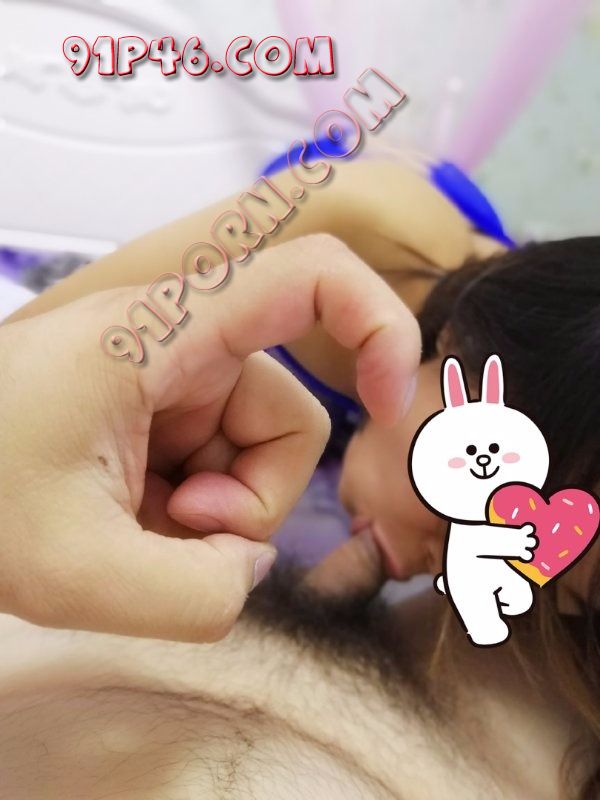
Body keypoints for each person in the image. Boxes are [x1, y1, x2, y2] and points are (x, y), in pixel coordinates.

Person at [2, 161, 599, 797]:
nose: (439, 571)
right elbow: (42, 377)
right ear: (462, 370)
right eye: (465, 520)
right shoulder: (355, 228)